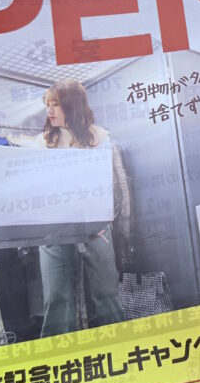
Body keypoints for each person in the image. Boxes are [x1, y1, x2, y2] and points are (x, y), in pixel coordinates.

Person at [37, 79, 131, 336]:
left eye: (56, 104)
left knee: (107, 295)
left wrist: (113, 223)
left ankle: (120, 347)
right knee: (56, 299)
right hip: (53, 229)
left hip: (95, 226)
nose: (50, 111)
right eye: (48, 104)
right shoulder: (42, 142)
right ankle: (58, 354)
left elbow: (114, 187)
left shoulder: (100, 138)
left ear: (72, 105)